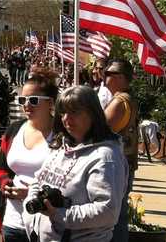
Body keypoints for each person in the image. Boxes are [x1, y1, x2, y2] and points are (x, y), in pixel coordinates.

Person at [24, 85, 127, 242]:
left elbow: (107, 211)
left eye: (74, 112)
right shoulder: (61, 145)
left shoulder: (105, 157)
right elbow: (38, 181)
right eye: (63, 112)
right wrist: (33, 202)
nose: (66, 118)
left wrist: (59, 214)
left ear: (93, 114)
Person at [0, 69, 59, 242]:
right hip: (13, 222)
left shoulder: (62, 135)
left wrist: (32, 194)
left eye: (33, 100)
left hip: (47, 224)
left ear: (51, 103)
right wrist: (5, 185)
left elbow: (71, 182)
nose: (26, 105)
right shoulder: (13, 131)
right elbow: (1, 170)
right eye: (22, 99)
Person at [103, 59, 139, 242]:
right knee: (118, 214)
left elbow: (101, 131)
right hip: (124, 163)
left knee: (113, 217)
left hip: (116, 165)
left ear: (119, 77)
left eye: (108, 73)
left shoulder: (119, 102)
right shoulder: (127, 99)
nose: (103, 76)